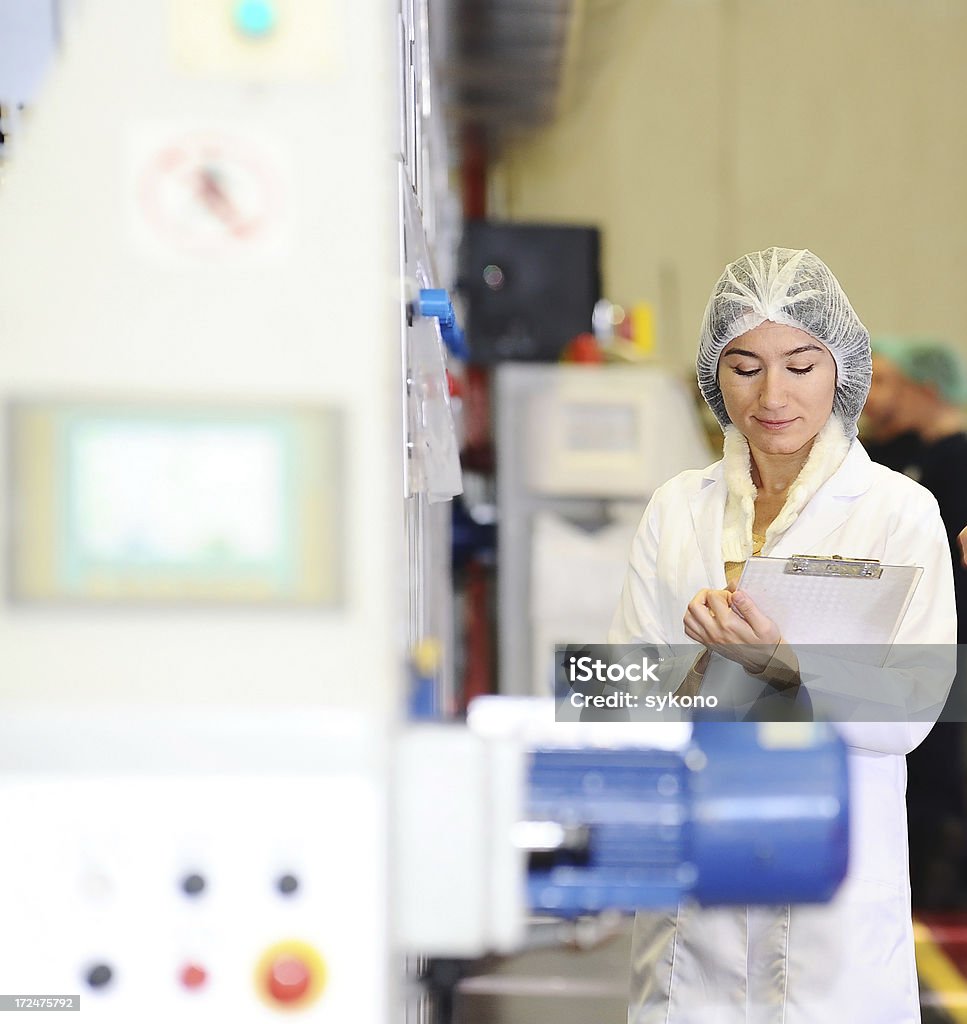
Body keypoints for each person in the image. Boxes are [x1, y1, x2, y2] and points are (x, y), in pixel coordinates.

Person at [610, 247, 956, 1023]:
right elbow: (617, 699)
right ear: (712, 374)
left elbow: (913, 710)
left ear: (841, 370)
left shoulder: (897, 512)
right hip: (689, 919)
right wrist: (700, 669)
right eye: (744, 365)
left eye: (800, 365)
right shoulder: (675, 509)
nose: (772, 394)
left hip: (833, 922)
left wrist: (786, 666)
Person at [862, 337, 967, 908]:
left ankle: (937, 886)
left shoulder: (956, 460)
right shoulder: (893, 453)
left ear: (926, 388)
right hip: (898, 642)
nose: (875, 398)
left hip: (949, 642)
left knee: (938, 768)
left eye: (887, 382)